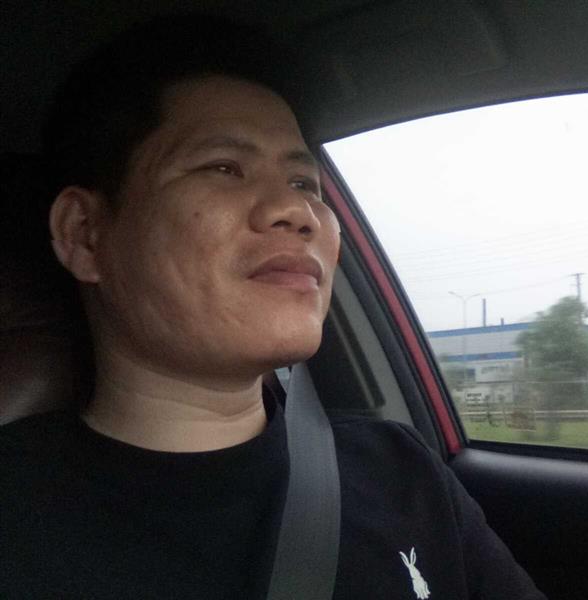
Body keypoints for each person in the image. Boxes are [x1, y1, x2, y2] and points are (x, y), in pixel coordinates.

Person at [0, 15, 546, 599]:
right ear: (84, 234)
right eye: (224, 168)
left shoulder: (403, 472)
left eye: (304, 183)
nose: (298, 211)